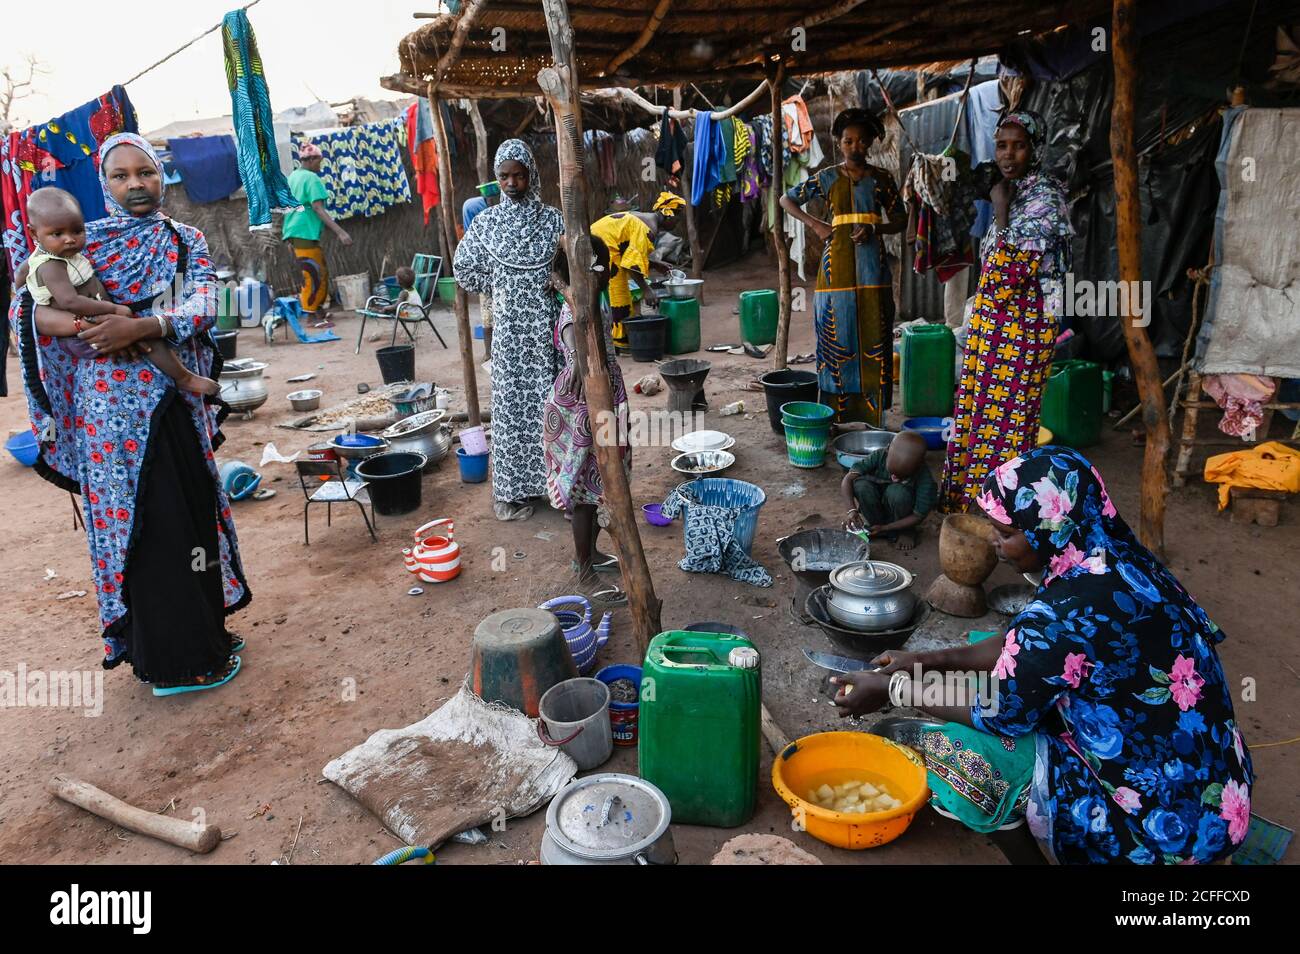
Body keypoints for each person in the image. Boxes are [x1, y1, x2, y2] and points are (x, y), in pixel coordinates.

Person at [833, 447, 1253, 865]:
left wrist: (895, 689)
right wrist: (923, 663)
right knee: (996, 663)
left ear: (1051, 527)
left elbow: (999, 711)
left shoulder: (1061, 614)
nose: (997, 545)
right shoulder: (1116, 559)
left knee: (965, 760)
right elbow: (1016, 647)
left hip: (1160, 833)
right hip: (1217, 792)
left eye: (1008, 533)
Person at [14, 132, 251, 695]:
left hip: (174, 404)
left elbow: (202, 302)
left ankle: (206, 636)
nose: (135, 184)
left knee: (190, 516)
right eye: (120, 176)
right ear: (104, 184)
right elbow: (30, 314)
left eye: (144, 172)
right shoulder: (76, 242)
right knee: (147, 528)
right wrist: (96, 328)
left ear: (162, 175)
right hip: (111, 419)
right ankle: (177, 662)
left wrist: (143, 326)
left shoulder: (184, 240)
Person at [939, 110, 1071, 513]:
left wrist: (998, 208)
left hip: (1022, 329)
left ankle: (1002, 512)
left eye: (1019, 145)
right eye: (1001, 145)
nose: (1008, 154)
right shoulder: (1014, 190)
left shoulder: (1043, 197)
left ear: (1035, 149)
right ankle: (971, 504)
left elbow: (1007, 270)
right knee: (979, 415)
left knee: (1007, 425)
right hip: (994, 326)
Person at [453, 139, 565, 522]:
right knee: (512, 410)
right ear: (496, 179)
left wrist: (558, 280)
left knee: (553, 405)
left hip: (546, 333)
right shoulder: (486, 223)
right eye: (504, 177)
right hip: (510, 337)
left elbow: (573, 261)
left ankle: (559, 488)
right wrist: (498, 283)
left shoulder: (552, 219)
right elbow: (464, 268)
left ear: (530, 174)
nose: (512, 183)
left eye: (519, 175)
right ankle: (515, 491)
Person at [21, 187, 218, 395]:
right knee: (146, 338)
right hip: (91, 341)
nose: (69, 239)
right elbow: (46, 304)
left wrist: (139, 328)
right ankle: (183, 377)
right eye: (120, 176)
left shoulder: (186, 237)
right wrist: (109, 315)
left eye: (77, 231)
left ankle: (182, 376)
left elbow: (208, 304)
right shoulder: (61, 257)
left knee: (143, 334)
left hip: (103, 321)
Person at [779, 107, 905, 426]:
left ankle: (873, 415)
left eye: (862, 141)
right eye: (848, 141)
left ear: (872, 144)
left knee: (873, 331)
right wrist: (817, 225)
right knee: (837, 334)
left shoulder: (883, 179)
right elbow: (786, 200)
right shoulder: (826, 177)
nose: (855, 147)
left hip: (872, 269)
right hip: (835, 268)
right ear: (839, 143)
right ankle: (836, 414)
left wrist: (876, 229)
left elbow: (902, 219)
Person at [543, 236, 629, 591]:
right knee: (584, 491)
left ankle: (590, 554)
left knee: (598, 487)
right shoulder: (574, 313)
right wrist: (583, 366)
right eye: (600, 266)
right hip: (584, 408)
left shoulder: (590, 304)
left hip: (601, 398)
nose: (606, 272)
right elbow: (580, 362)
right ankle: (582, 566)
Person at [590, 191, 683, 352]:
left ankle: (620, 339)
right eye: (677, 216)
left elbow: (629, 250)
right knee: (620, 294)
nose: (678, 221)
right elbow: (631, 264)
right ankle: (621, 342)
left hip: (605, 242)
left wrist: (653, 264)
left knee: (620, 292)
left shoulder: (646, 219)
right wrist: (647, 290)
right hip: (602, 245)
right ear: (668, 215)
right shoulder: (648, 228)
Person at [283, 141, 352, 321]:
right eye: (319, 161)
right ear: (311, 159)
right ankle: (311, 314)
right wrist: (340, 232)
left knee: (319, 270)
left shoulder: (294, 176)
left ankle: (317, 309)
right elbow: (317, 208)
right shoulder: (311, 178)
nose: (320, 165)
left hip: (296, 230)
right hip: (303, 231)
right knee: (313, 274)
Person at [840, 431, 935, 550]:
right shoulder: (879, 456)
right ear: (887, 449)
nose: (894, 478)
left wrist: (886, 527)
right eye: (891, 472)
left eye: (902, 476)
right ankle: (877, 527)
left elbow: (918, 515)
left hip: (903, 514)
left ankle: (905, 531)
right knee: (861, 486)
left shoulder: (925, 479)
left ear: (919, 465)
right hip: (878, 505)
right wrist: (851, 511)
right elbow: (848, 479)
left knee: (898, 493)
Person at [462, 193, 496, 362]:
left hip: (492, 284)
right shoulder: (475, 237)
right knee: (488, 319)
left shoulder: (481, 233)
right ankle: (489, 352)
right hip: (489, 284)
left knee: (489, 319)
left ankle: (490, 352)